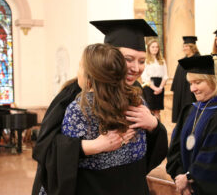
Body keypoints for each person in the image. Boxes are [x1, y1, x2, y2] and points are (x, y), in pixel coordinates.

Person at [32, 19, 168, 195]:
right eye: (128, 59)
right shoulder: (72, 95)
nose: (136, 68)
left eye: (142, 61)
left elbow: (150, 150)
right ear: (108, 57)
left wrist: (153, 125)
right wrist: (92, 146)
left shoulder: (137, 92)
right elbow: (46, 148)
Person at [166, 54, 217, 195]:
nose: (192, 89)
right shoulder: (192, 109)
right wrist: (179, 175)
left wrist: (189, 177)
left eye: (198, 82)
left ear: (214, 81)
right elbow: (175, 147)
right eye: (190, 83)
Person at [171, 36, 199, 123]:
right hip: (181, 92)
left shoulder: (198, 59)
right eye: (184, 46)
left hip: (192, 93)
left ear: (192, 47)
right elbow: (177, 78)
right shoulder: (182, 61)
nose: (184, 48)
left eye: (186, 46)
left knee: (191, 115)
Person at [141, 39, 168, 120]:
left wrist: (160, 88)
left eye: (156, 47)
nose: (155, 49)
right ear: (148, 48)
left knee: (157, 111)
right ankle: (150, 130)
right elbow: (144, 76)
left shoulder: (162, 60)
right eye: (153, 47)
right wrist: (155, 88)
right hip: (149, 86)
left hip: (160, 85)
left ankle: (158, 130)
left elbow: (165, 76)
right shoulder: (145, 60)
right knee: (149, 110)